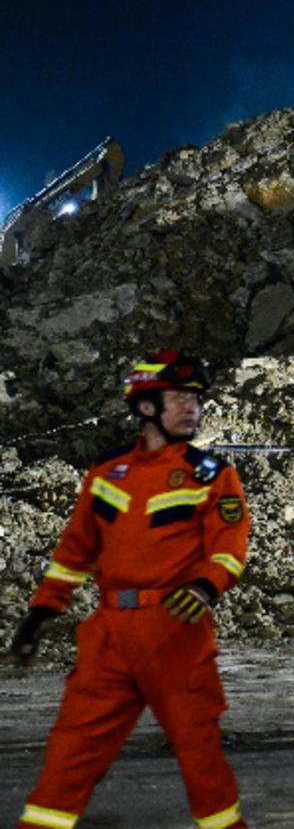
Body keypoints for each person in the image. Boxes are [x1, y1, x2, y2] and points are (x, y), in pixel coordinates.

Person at [7, 351, 251, 829]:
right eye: (179, 398)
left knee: (199, 755)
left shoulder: (211, 475)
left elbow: (229, 546)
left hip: (175, 631)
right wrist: (40, 614)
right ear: (145, 408)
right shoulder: (106, 474)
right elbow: (75, 552)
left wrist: (207, 585)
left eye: (195, 399)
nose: (192, 408)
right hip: (110, 636)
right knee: (71, 752)